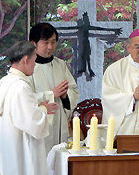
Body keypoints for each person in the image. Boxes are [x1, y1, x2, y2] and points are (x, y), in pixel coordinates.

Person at [0, 41, 59, 175]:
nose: (35, 65)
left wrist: (39, 108)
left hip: (8, 146)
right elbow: (33, 122)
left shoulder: (4, 82)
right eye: (34, 60)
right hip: (22, 149)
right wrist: (44, 109)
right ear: (26, 59)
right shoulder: (20, 87)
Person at [28, 23, 80, 155]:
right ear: (34, 43)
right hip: (38, 128)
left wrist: (65, 96)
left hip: (59, 125)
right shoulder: (27, 66)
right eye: (45, 42)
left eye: (53, 42)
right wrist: (51, 94)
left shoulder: (60, 64)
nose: (50, 47)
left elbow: (73, 91)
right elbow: (23, 98)